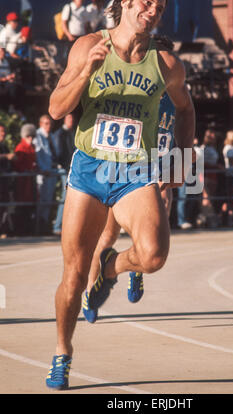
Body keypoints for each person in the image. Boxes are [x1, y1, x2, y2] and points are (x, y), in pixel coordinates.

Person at [46, 0, 195, 390]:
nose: (152, 12)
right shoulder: (88, 46)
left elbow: (185, 110)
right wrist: (83, 74)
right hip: (91, 170)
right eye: (146, 3)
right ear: (126, 2)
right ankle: (62, 352)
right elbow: (57, 109)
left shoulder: (166, 63)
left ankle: (111, 269)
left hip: (136, 171)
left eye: (159, 8)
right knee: (74, 277)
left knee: (153, 256)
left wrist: (181, 160)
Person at [83, 87, 176, 323]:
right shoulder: (133, 91)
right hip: (124, 168)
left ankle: (137, 267)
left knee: (153, 226)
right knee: (106, 236)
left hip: (157, 167)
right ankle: (91, 292)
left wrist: (183, 159)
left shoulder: (177, 97)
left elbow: (180, 135)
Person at [34, 114, 58, 234]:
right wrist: (43, 168)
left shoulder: (51, 136)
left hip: (52, 171)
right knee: (42, 201)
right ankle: (39, 226)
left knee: (49, 200)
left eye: (50, 123)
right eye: (46, 123)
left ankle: (46, 224)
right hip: (43, 173)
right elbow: (38, 155)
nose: (48, 126)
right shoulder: (37, 136)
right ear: (40, 124)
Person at [52, 113, 76, 235]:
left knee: (69, 197)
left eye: (72, 118)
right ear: (64, 120)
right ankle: (57, 226)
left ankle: (63, 226)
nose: (71, 121)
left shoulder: (72, 132)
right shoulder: (60, 134)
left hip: (70, 168)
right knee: (65, 196)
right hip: (65, 169)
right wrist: (62, 165)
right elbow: (59, 152)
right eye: (69, 118)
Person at [13, 123, 37, 235]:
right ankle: (20, 230)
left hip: (29, 181)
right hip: (22, 182)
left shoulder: (32, 147)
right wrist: (26, 170)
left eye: (32, 136)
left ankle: (28, 230)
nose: (30, 138)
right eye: (28, 136)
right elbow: (17, 164)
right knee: (21, 206)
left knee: (29, 206)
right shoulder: (20, 148)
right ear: (24, 136)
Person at [0, 123, 15, 237]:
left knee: (4, 206)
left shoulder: (4, 146)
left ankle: (3, 229)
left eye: (4, 131)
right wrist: (6, 156)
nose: (3, 134)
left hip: (4, 183)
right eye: (1, 131)